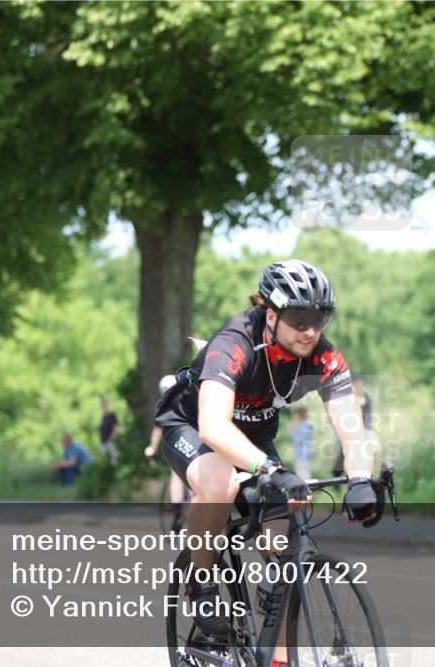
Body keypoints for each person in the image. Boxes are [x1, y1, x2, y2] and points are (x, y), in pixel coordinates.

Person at [154, 259, 379, 664]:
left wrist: (361, 477)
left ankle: (274, 656)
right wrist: (271, 470)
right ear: (271, 314)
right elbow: (213, 428)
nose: (310, 331)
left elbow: (352, 427)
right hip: (192, 425)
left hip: (253, 436)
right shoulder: (236, 343)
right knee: (220, 483)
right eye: (299, 319)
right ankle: (201, 582)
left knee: (284, 546)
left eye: (320, 319)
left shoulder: (322, 357)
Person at [146, 374, 189, 527]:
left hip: (176, 443)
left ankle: (177, 508)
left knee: (176, 473)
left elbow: (158, 428)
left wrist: (152, 448)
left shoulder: (164, 403)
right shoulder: (188, 396)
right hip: (196, 441)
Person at [331, 373, 375, 477]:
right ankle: (340, 477)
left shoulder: (364, 396)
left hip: (363, 432)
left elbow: (361, 402)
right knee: (345, 457)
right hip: (348, 432)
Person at [289, 406, 314, 481]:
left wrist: (292, 432)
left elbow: (297, 441)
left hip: (301, 455)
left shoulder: (302, 427)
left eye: (295, 415)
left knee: (303, 476)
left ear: (298, 416)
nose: (294, 417)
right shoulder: (306, 426)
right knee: (304, 474)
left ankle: (306, 492)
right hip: (305, 455)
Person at [99, 396, 121, 465]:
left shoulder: (112, 416)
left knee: (114, 461)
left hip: (111, 443)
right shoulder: (104, 417)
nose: (103, 407)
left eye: (105, 405)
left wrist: (111, 439)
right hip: (105, 442)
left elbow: (116, 429)